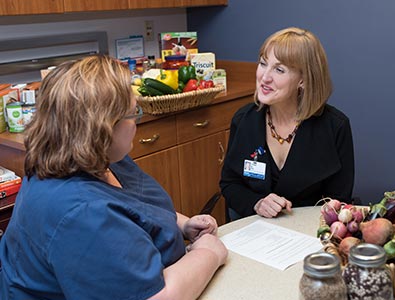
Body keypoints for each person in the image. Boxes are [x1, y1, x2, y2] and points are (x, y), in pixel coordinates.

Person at [0, 55, 227, 300]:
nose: (136, 123)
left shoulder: (96, 159)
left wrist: (182, 224)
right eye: (133, 113)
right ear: (103, 127)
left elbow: (136, 206)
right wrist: (209, 253)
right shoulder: (82, 212)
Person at [220, 27, 354, 220]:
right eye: (263, 64)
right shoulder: (243, 120)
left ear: (303, 80)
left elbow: (339, 200)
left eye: (279, 69)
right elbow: (230, 183)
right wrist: (256, 203)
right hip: (255, 229)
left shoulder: (335, 127)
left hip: (311, 233)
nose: (265, 77)